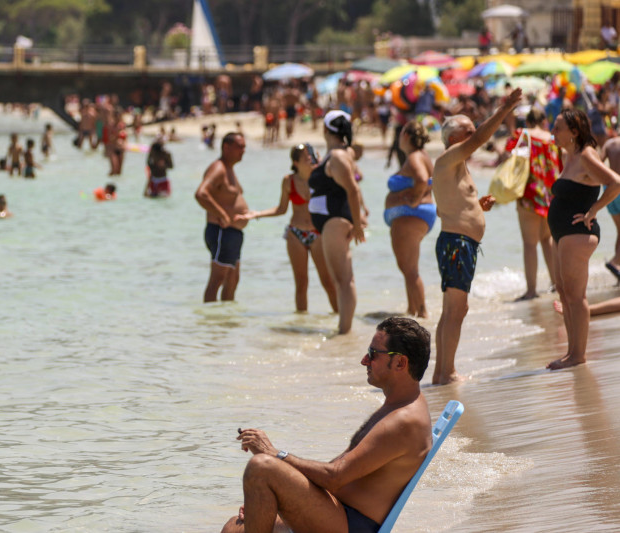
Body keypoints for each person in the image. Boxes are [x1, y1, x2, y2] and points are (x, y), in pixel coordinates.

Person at [220, 317, 433, 533]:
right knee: (233, 527)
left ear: (400, 363)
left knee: (261, 467)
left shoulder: (403, 421)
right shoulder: (399, 406)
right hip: (336, 510)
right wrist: (272, 495)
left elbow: (335, 477)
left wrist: (275, 454)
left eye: (372, 354)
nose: (364, 360)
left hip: (350, 524)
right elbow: (339, 469)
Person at [430, 89, 522, 385]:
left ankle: (441, 372)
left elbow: (448, 206)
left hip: (459, 243)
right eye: (468, 132)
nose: (476, 136)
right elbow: (483, 137)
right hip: (457, 245)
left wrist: (477, 207)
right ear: (455, 138)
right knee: (455, 310)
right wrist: (504, 109)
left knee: (453, 310)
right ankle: (447, 373)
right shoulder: (446, 158)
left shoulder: (458, 167)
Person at [546, 109, 620, 370]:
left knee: (576, 296)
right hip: (563, 232)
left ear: (574, 131)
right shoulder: (570, 156)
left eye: (557, 127)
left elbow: (615, 183)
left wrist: (594, 210)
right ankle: (571, 352)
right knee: (565, 292)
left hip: (578, 233)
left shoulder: (586, 154)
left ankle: (579, 355)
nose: (553, 131)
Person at [238, 144, 338, 313]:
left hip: (317, 233)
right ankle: (301, 323)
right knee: (301, 283)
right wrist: (256, 214)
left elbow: (337, 190)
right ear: (295, 162)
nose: (309, 158)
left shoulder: (320, 177)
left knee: (327, 281)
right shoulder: (288, 181)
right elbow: (281, 209)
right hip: (295, 234)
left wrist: (322, 165)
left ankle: (340, 318)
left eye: (311, 156)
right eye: (305, 157)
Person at [309, 110, 364, 334]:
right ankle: (344, 329)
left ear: (324, 130)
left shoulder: (339, 156)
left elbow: (353, 189)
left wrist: (359, 223)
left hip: (335, 221)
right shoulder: (339, 154)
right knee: (340, 278)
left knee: (343, 279)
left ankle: (344, 331)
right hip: (333, 221)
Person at [502, 108, 561, 301]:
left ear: (527, 122)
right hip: (551, 195)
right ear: (544, 120)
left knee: (529, 244)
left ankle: (531, 290)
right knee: (548, 241)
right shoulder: (553, 138)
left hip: (529, 194)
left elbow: (509, 152)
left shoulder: (523, 135)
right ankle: (556, 284)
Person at [385, 121, 436, 318]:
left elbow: (423, 180)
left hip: (410, 216)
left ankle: (422, 312)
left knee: (409, 268)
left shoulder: (414, 157)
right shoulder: (423, 156)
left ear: (405, 135)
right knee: (409, 267)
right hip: (419, 215)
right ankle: (412, 310)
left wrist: (414, 200)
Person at [195, 133, 249, 303]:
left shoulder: (229, 169)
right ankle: (210, 325)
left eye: (244, 147)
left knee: (233, 280)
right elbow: (201, 194)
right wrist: (223, 214)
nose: (243, 151)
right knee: (216, 281)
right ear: (226, 147)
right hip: (221, 232)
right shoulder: (218, 168)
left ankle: (225, 324)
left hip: (232, 233)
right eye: (239, 147)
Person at [602, 137, 620, 282]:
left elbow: (597, 162)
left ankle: (618, 271)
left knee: (619, 230)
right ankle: (615, 262)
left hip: (609, 189)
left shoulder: (609, 143)